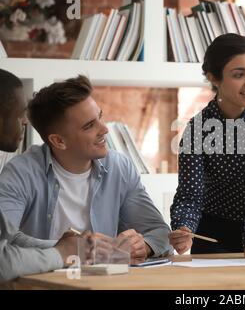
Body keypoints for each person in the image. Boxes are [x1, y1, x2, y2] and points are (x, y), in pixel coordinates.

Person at [0, 75, 172, 264]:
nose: (104, 129)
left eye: (99, 117)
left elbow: (160, 232)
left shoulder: (119, 168)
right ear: (59, 141)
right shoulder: (20, 172)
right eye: (89, 126)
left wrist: (144, 245)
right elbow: (6, 240)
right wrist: (73, 249)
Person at [169, 33, 245, 258]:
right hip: (213, 232)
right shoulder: (197, 129)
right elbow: (190, 193)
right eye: (239, 74)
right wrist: (184, 228)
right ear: (214, 78)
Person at [0, 68, 80, 282]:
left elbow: (8, 237)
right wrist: (60, 254)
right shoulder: (20, 169)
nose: (25, 121)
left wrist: (70, 247)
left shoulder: (120, 166)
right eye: (19, 113)